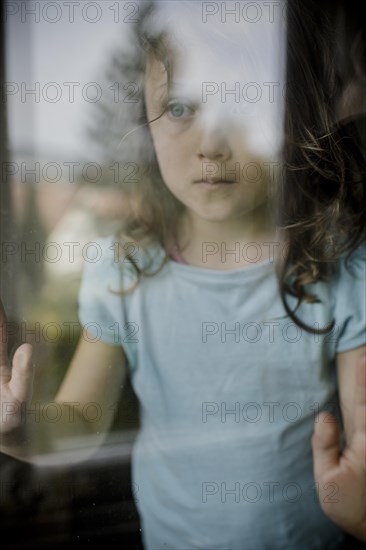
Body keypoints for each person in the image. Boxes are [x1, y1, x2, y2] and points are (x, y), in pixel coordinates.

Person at [1, 1, 365, 548]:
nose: (211, 144)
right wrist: (25, 428)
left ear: (293, 116)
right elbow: (82, 417)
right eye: (178, 107)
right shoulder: (124, 269)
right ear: (145, 123)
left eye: (242, 104)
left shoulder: (339, 266)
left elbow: (360, 452)